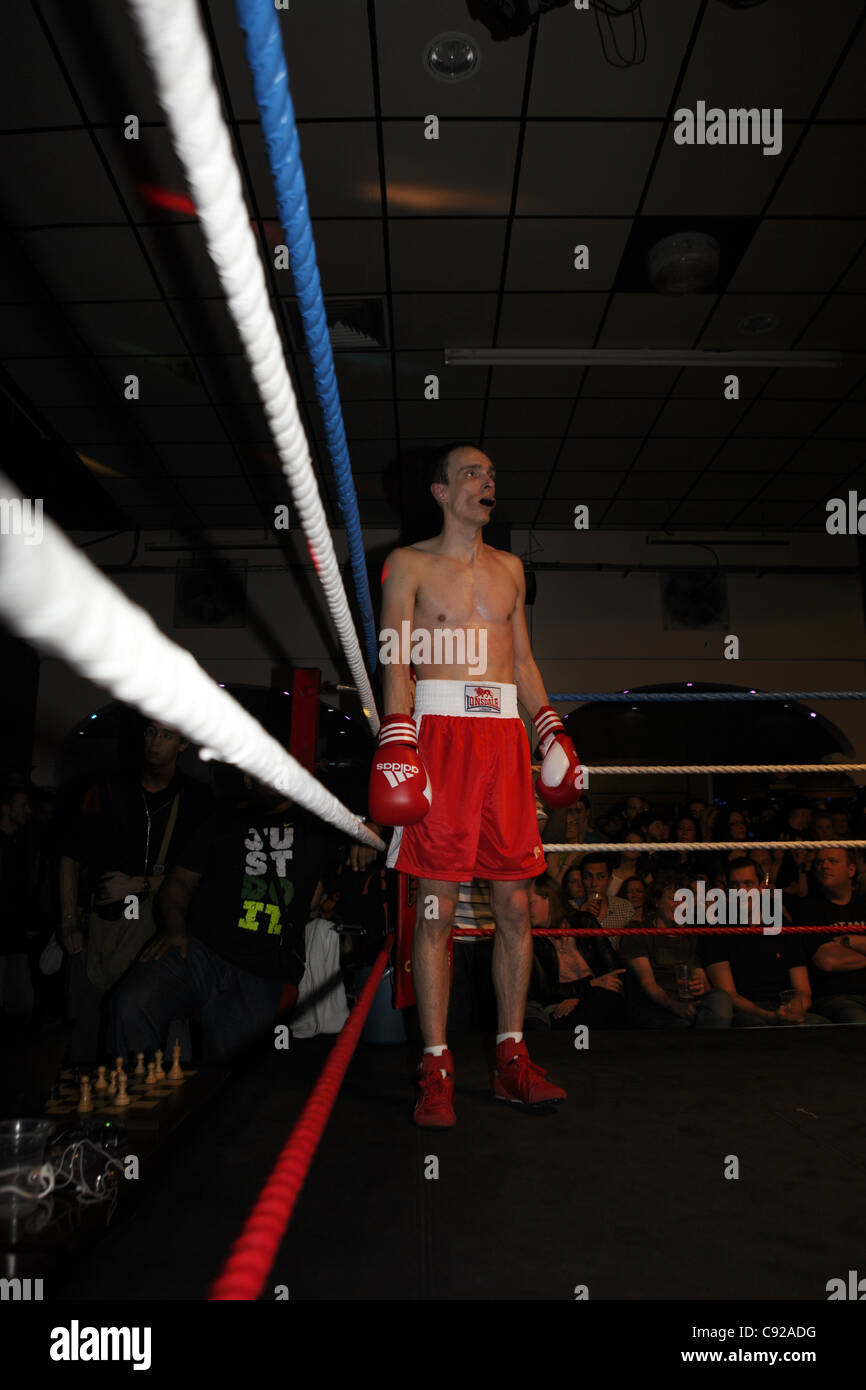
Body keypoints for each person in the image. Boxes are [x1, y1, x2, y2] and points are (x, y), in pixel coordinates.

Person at [372, 442, 575, 1127]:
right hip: (440, 737)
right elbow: (395, 655)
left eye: (491, 473)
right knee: (436, 908)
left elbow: (521, 659)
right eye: (471, 473)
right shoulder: (409, 564)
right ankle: (435, 1067)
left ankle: (512, 1057)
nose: (486, 482)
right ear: (439, 491)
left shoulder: (511, 569)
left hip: (502, 744)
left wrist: (550, 728)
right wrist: (397, 733)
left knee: (515, 907)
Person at [109, 776, 344, 1062]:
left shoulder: (320, 821)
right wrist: (174, 926)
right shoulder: (226, 817)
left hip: (263, 966)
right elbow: (179, 881)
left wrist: (369, 834)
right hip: (200, 947)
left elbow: (374, 838)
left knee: (231, 1079)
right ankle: (138, 1096)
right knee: (132, 1004)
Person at [58, 717, 213, 1063]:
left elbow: (206, 876)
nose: (155, 741)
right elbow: (69, 854)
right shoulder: (107, 789)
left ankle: (161, 1108)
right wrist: (68, 920)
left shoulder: (197, 800)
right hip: (102, 928)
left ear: (183, 744)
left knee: (162, 1034)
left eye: (166, 735)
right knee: (89, 1032)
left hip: (160, 931)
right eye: (150, 732)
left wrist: (140, 884)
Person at [703, 858, 828, 1027]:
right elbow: (729, 995)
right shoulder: (718, 930)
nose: (741, 891)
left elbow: (803, 990)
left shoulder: (781, 925)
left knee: (825, 1028)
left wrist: (794, 1011)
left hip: (786, 1007)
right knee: (755, 1028)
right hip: (748, 1012)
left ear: (761, 887)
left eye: (748, 884)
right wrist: (769, 1016)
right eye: (734, 885)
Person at [620, 873, 732, 1030]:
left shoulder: (689, 935)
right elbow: (647, 983)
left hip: (687, 1001)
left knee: (720, 998)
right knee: (680, 1023)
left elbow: (702, 980)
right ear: (657, 901)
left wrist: (700, 987)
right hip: (657, 1005)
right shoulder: (638, 932)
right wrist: (675, 1006)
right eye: (673, 899)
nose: (679, 905)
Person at [526, 875, 626, 1031]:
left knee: (610, 996)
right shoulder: (531, 939)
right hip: (560, 1006)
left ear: (549, 900)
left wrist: (582, 997)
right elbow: (543, 989)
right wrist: (589, 986)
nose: (526, 909)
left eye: (530, 903)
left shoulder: (584, 922)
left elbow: (613, 968)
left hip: (596, 997)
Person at [791, 847, 866, 1024]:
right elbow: (827, 960)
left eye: (833, 861)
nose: (824, 866)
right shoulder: (809, 909)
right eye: (819, 862)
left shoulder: (864, 904)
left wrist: (847, 941)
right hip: (837, 998)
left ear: (851, 870)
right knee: (860, 1022)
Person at [0, 780, 35, 1023]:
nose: (28, 811)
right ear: (6, 808)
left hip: (15, 931)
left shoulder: (23, 843)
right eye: (22, 806)